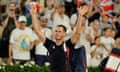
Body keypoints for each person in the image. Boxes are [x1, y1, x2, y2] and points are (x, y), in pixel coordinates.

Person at [30, 5, 89, 72]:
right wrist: (33, 15)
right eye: (56, 31)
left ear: (64, 33)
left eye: (60, 31)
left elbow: (77, 33)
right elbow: (37, 31)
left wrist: (80, 16)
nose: (57, 33)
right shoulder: (50, 45)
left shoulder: (67, 45)